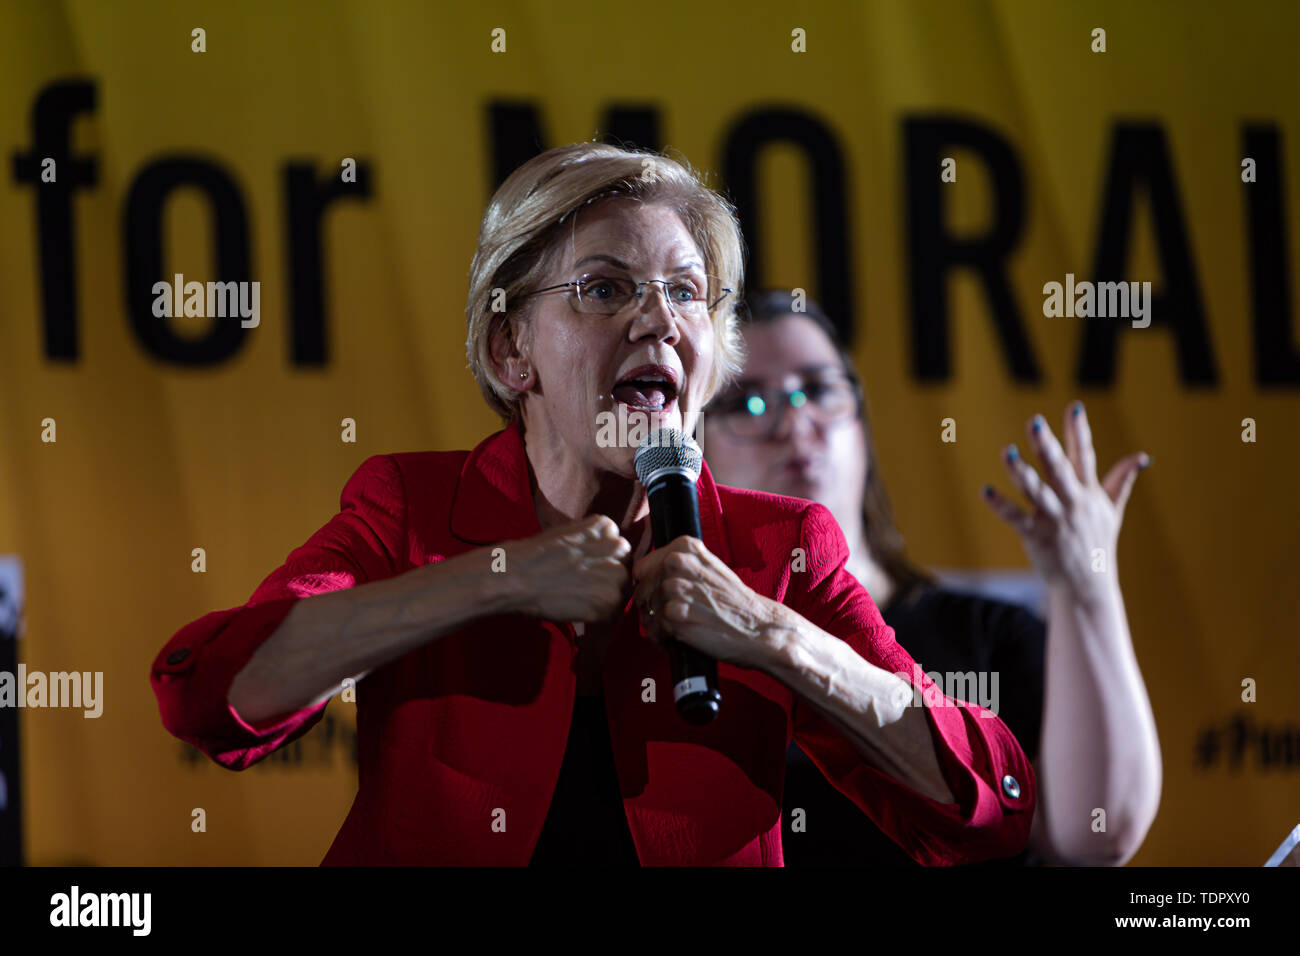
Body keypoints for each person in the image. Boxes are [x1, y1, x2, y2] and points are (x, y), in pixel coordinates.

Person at [150, 143, 1035, 866]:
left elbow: (992, 804)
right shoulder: (413, 508)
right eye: (606, 288)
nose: (660, 321)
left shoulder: (778, 548)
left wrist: (773, 635)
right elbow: (210, 696)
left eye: (686, 291)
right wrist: (493, 580)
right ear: (510, 350)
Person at [701, 291, 1162, 866]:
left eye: (818, 390)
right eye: (748, 403)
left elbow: (1099, 834)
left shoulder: (988, 636)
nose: (796, 421)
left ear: (863, 430)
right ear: (696, 447)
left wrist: (1085, 587)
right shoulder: (684, 658)